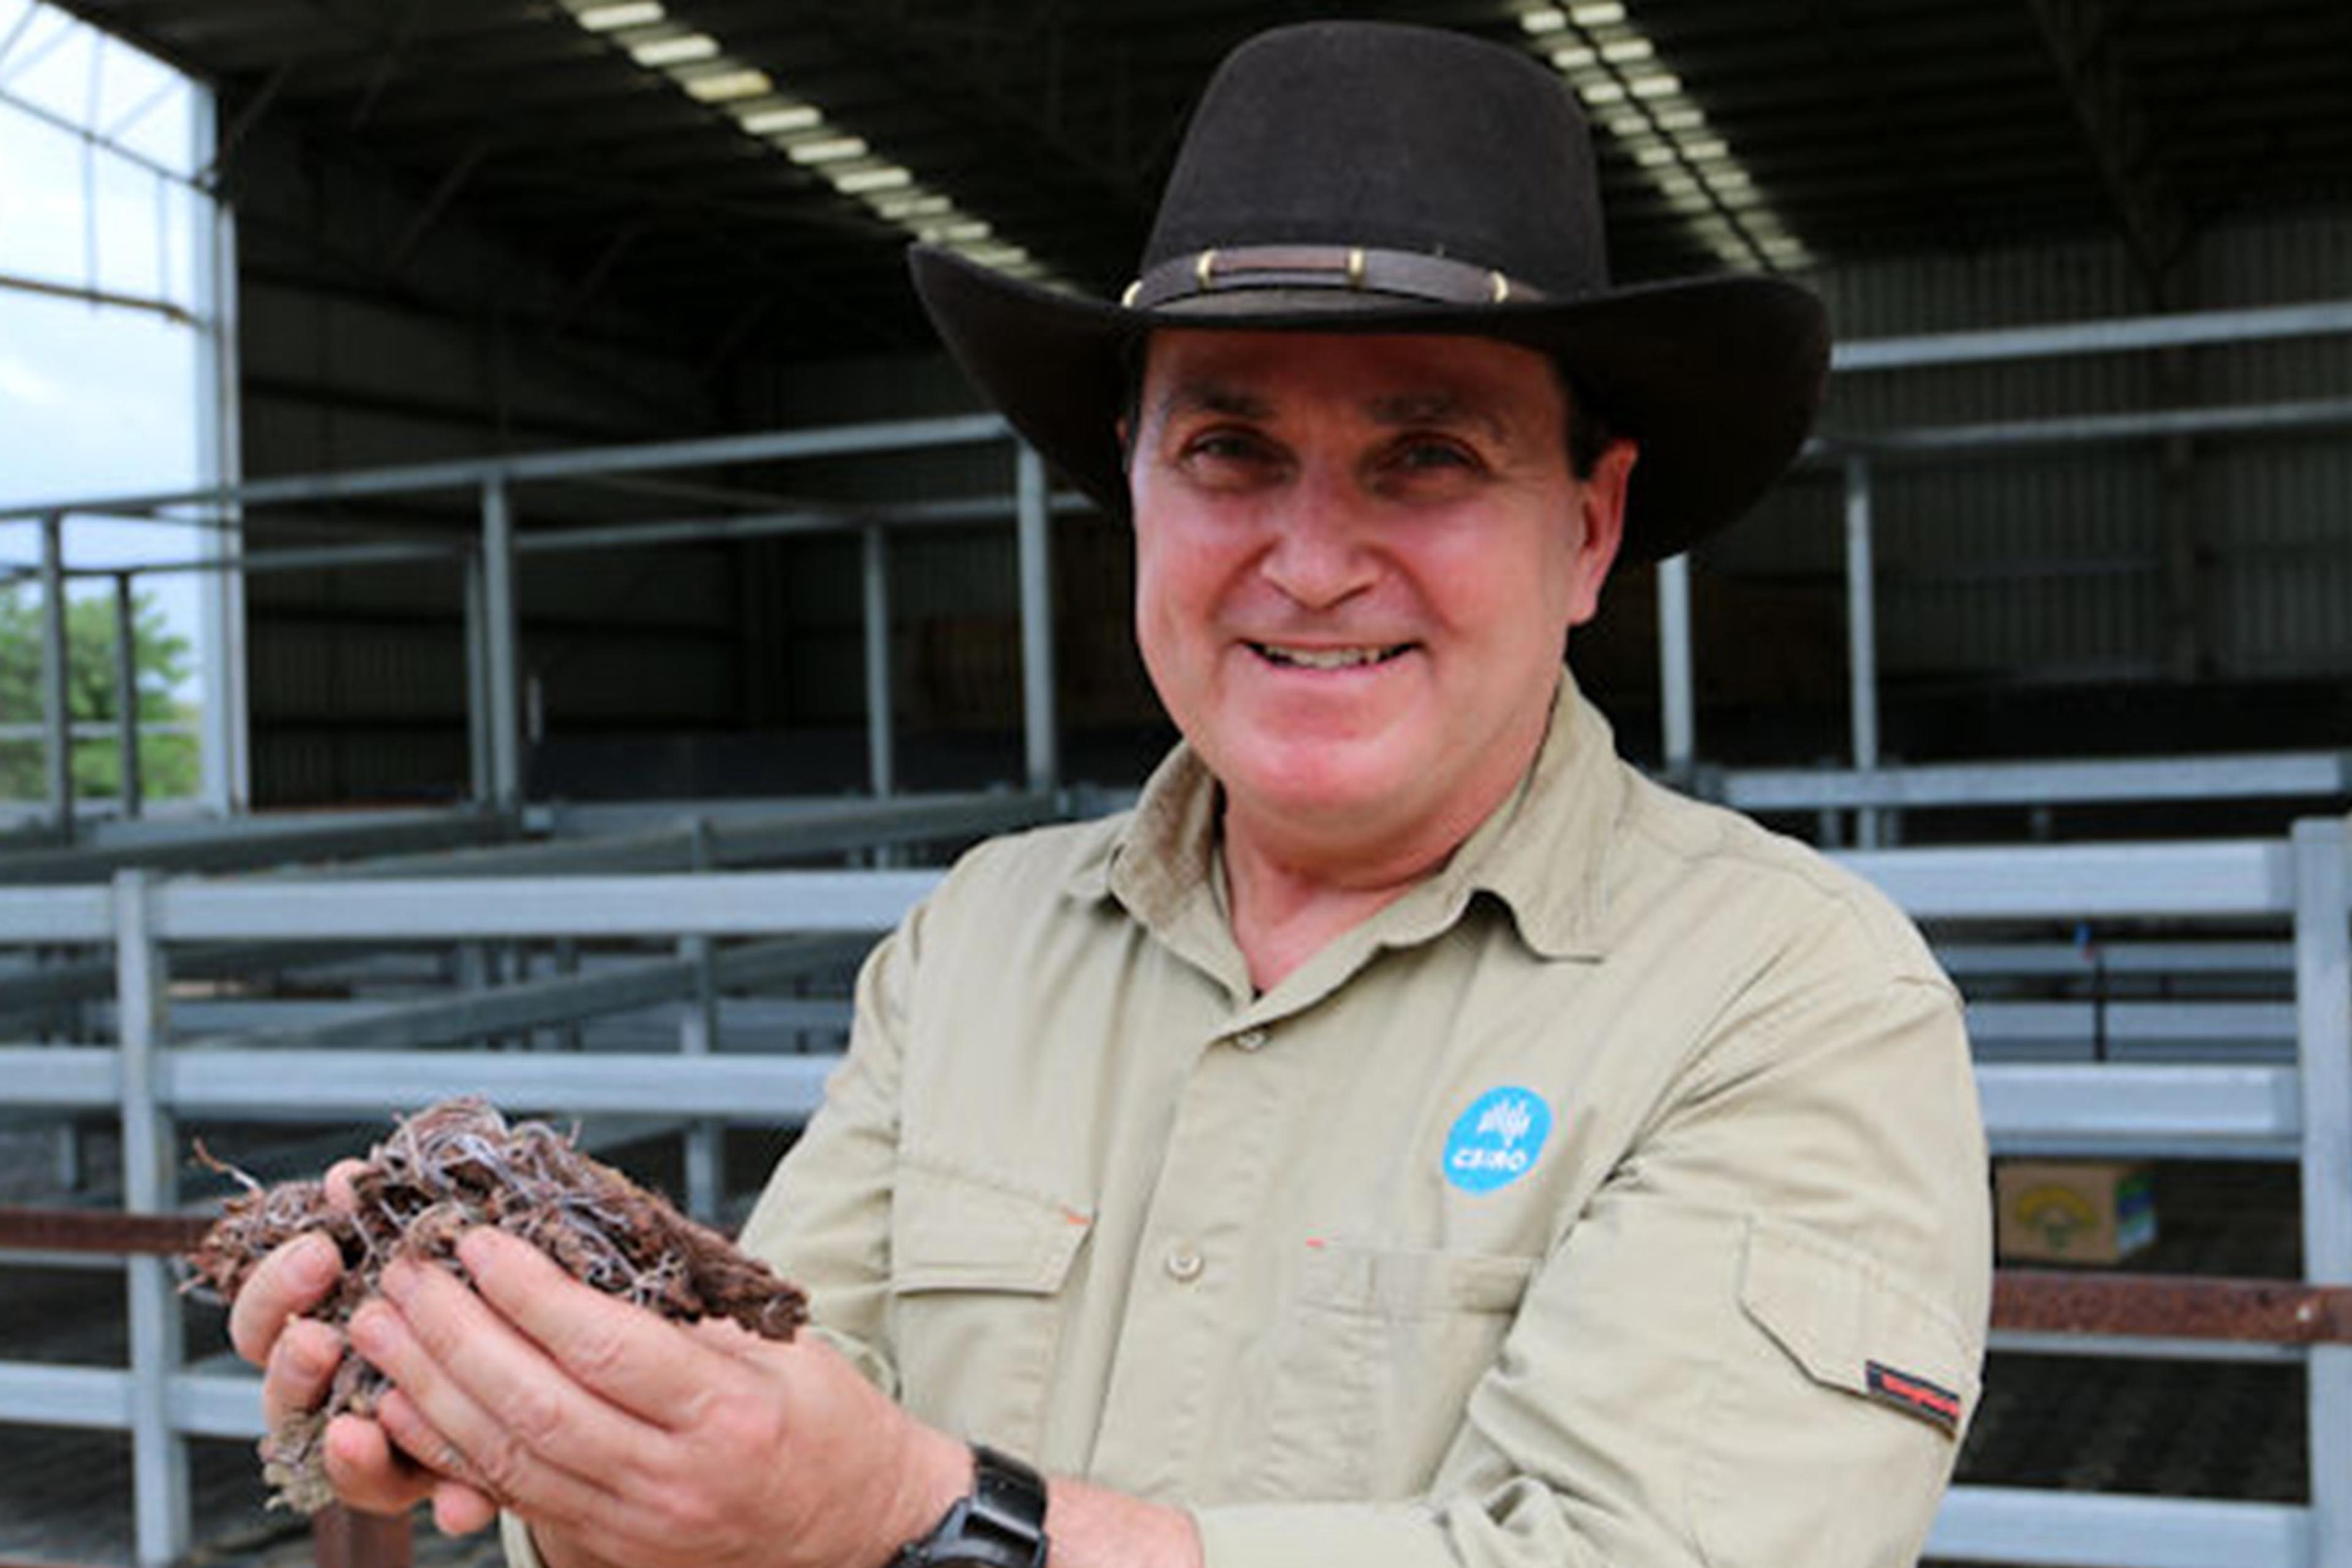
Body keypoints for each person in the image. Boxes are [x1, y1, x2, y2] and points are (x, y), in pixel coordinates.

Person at [228, 20, 1989, 1568]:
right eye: (1230, 449)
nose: (1311, 562)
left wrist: (919, 1524)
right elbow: (766, 1477)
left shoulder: (1788, 998)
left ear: (1587, 528)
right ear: (1135, 492)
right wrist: (544, 1434)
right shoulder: (976, 943)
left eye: (1429, 455)